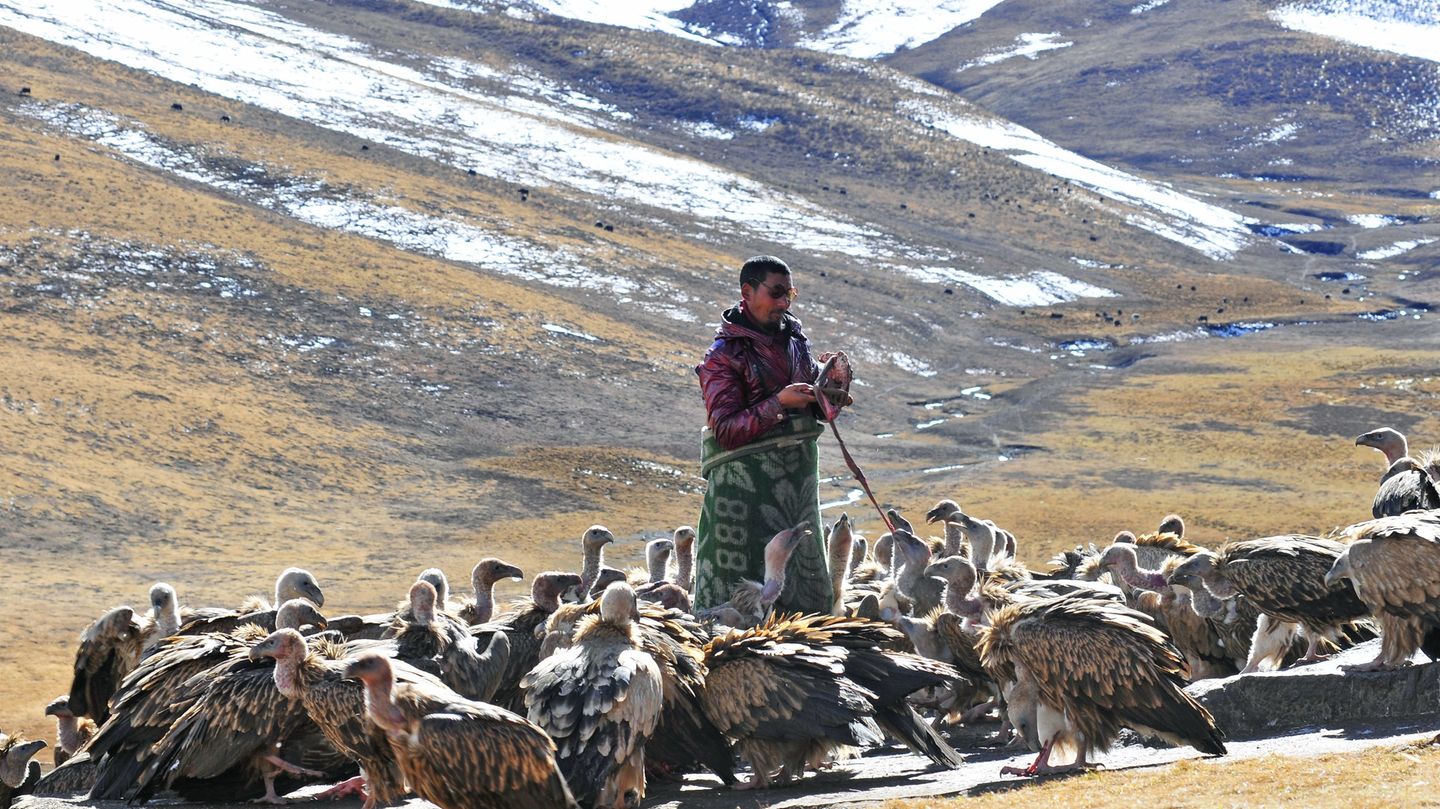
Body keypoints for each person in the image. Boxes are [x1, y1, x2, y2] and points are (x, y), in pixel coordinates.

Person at [692, 255, 850, 615]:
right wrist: (778, 403)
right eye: (776, 293)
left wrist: (827, 394)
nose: (784, 303)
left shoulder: (795, 341)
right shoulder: (723, 357)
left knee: (808, 608)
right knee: (733, 618)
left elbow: (808, 398)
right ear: (747, 292)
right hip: (742, 501)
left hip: (797, 488)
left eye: (789, 294)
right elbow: (727, 429)